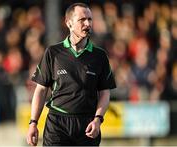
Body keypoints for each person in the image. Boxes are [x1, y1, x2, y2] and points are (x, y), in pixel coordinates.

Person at [26, 2, 116, 146]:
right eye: (82, 20)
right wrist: (33, 123)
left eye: (90, 19)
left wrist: (98, 119)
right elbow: (41, 89)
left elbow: (105, 92)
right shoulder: (53, 53)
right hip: (57, 124)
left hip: (87, 125)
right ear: (69, 23)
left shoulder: (100, 56)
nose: (87, 23)